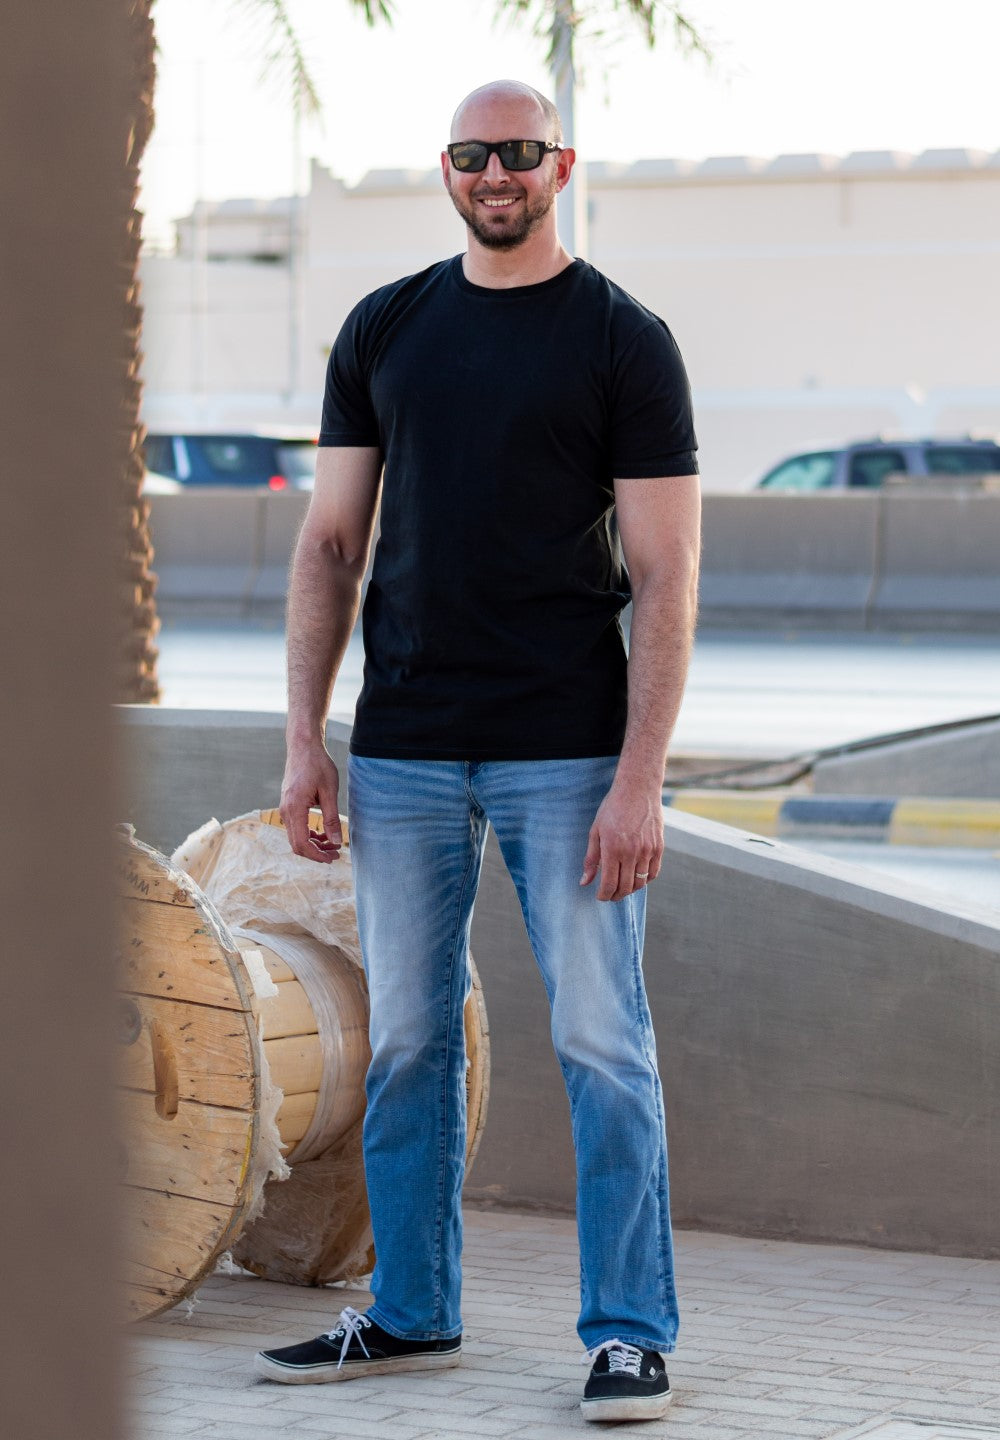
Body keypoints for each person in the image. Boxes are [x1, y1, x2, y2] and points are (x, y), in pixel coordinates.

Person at [254, 78, 700, 1425]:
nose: (495, 172)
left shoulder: (624, 340)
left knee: (601, 1039)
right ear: (445, 168)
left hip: (569, 751)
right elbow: (332, 543)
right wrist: (305, 743)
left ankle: (630, 1335)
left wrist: (641, 780)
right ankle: (412, 1312)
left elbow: (666, 575)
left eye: (518, 152)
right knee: (405, 1044)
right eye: (472, 154)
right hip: (402, 749)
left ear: (560, 163)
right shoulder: (386, 327)